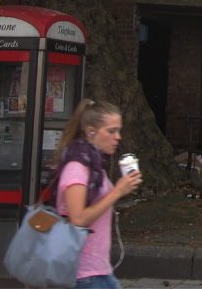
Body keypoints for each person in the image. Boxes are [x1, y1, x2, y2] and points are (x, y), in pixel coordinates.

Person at [53, 99, 143, 289]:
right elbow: (78, 218)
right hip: (83, 274)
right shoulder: (77, 168)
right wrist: (117, 191)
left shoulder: (95, 166)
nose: (118, 137)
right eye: (111, 131)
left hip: (100, 270)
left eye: (119, 131)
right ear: (91, 132)